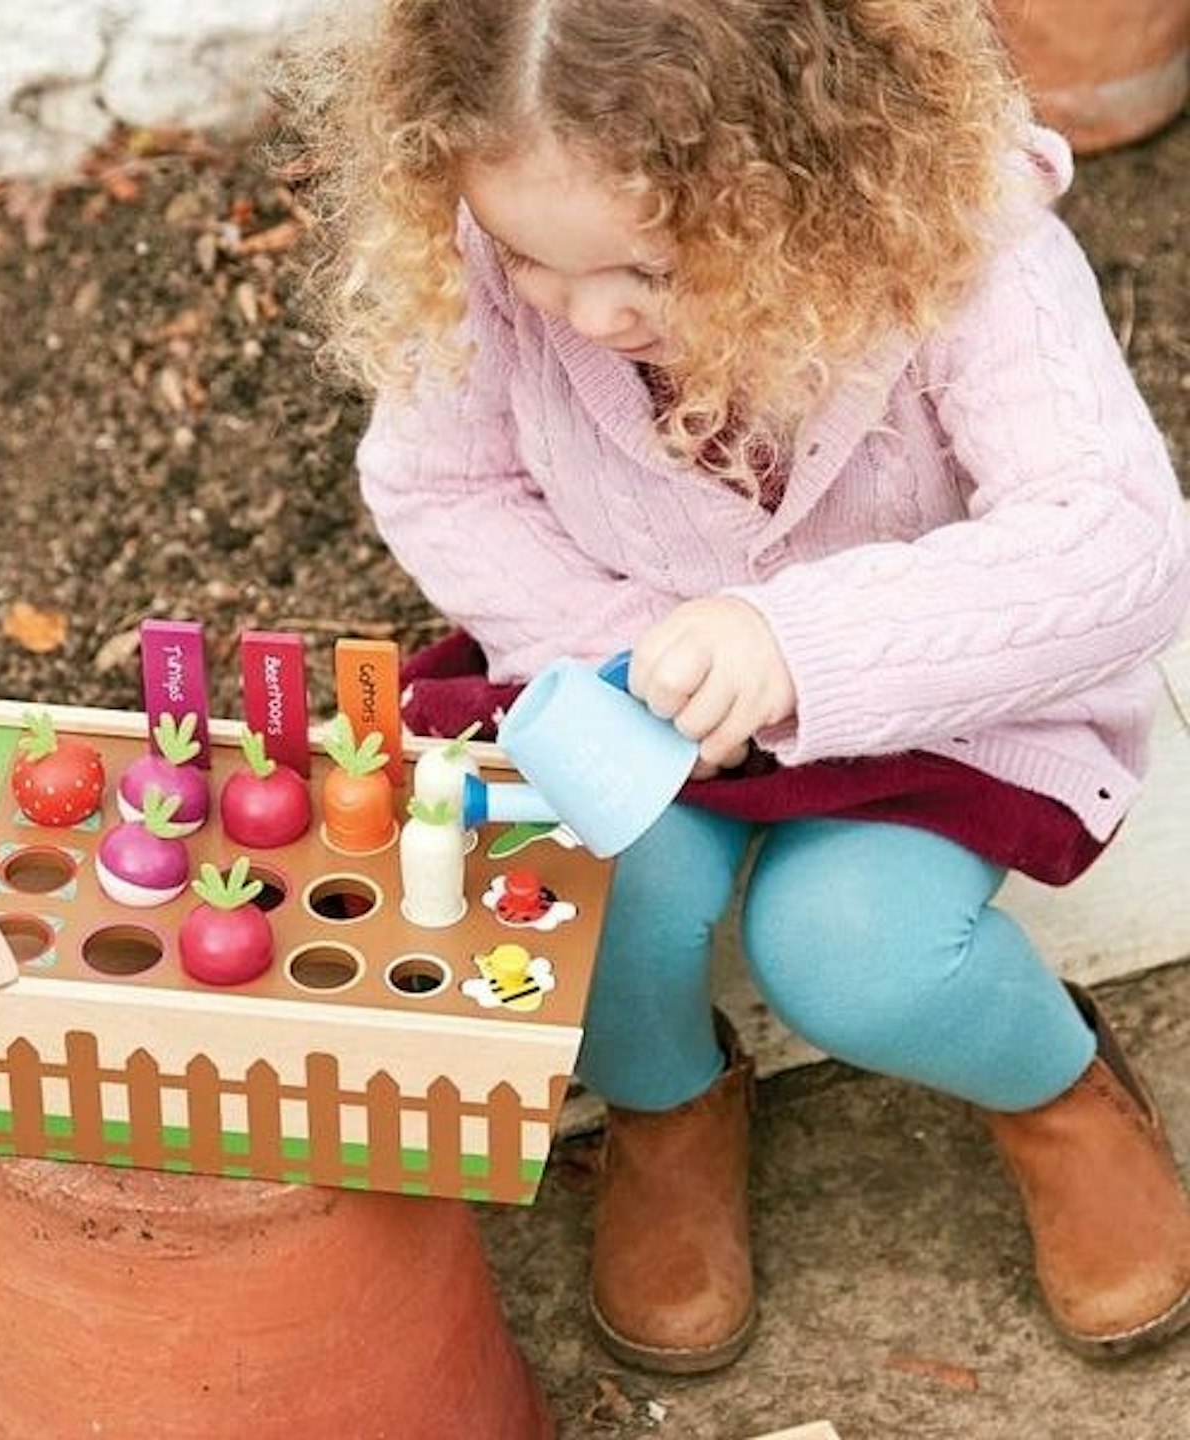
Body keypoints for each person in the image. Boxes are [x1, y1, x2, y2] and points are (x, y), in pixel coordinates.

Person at [281, 0, 1190, 1371]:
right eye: (534, 259)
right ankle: (669, 1107)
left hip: (931, 696)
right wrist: (637, 641)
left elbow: (1117, 541)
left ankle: (1054, 1093)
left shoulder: (957, 247)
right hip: (637, 679)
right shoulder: (502, 234)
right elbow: (442, 481)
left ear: (803, 181)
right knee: (587, 888)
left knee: (855, 957)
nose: (589, 312)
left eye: (647, 267)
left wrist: (792, 647)